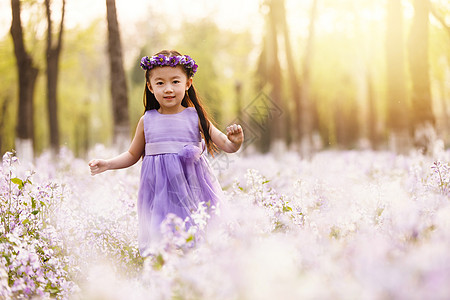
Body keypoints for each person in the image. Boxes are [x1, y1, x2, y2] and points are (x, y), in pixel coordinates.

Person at [89, 50, 244, 255]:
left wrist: (235, 142)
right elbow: (132, 154)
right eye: (160, 83)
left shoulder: (195, 117)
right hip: (160, 191)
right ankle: (164, 270)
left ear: (187, 83)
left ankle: (196, 267)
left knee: (197, 232)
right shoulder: (147, 120)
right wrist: (108, 164)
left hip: (192, 187)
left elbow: (226, 145)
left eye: (175, 82)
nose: (168, 89)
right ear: (150, 87)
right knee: (163, 237)